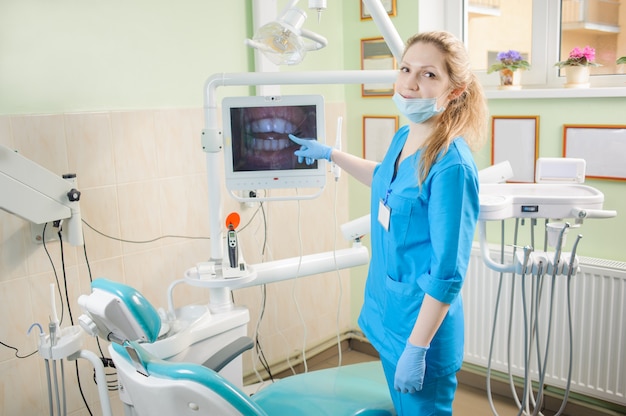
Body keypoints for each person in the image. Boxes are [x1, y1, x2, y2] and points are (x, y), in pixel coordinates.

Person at [289, 30, 488, 415]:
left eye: (429, 75)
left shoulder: (452, 166)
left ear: (456, 89)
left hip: (420, 331)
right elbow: (385, 178)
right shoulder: (405, 136)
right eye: (406, 69)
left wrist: (417, 347)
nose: (411, 84)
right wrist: (331, 153)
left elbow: (448, 273)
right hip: (390, 316)